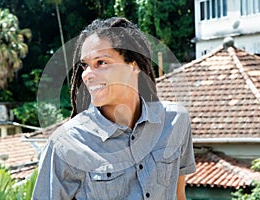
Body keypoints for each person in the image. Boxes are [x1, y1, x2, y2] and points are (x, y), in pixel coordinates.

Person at [32, 17, 196, 200]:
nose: (87, 75)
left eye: (101, 62)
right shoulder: (65, 145)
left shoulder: (176, 121)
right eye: (85, 65)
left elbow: (179, 194)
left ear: (133, 65)